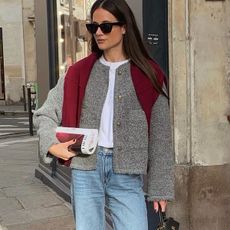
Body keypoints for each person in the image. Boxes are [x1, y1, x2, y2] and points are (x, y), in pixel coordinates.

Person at [33, 0, 174, 229]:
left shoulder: (149, 75)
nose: (98, 32)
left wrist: (160, 187)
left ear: (124, 27)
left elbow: (161, 137)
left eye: (105, 26)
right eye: (93, 27)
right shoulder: (78, 72)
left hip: (127, 174)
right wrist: (51, 144)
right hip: (86, 169)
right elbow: (45, 114)